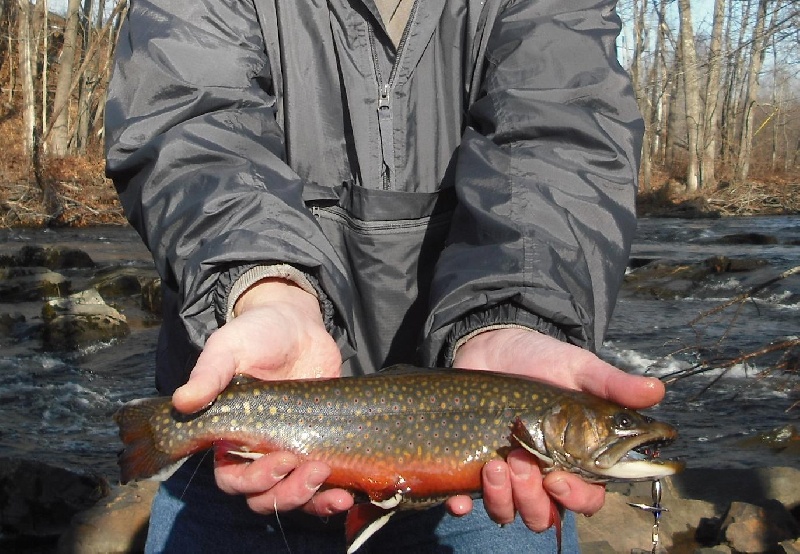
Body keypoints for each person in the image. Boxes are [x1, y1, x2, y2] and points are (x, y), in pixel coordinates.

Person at [105, 1, 664, 552]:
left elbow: (561, 140)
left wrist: (520, 315)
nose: (623, 435)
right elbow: (191, 128)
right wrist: (260, 288)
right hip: (236, 452)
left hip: (484, 503)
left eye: (612, 429)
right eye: (613, 428)